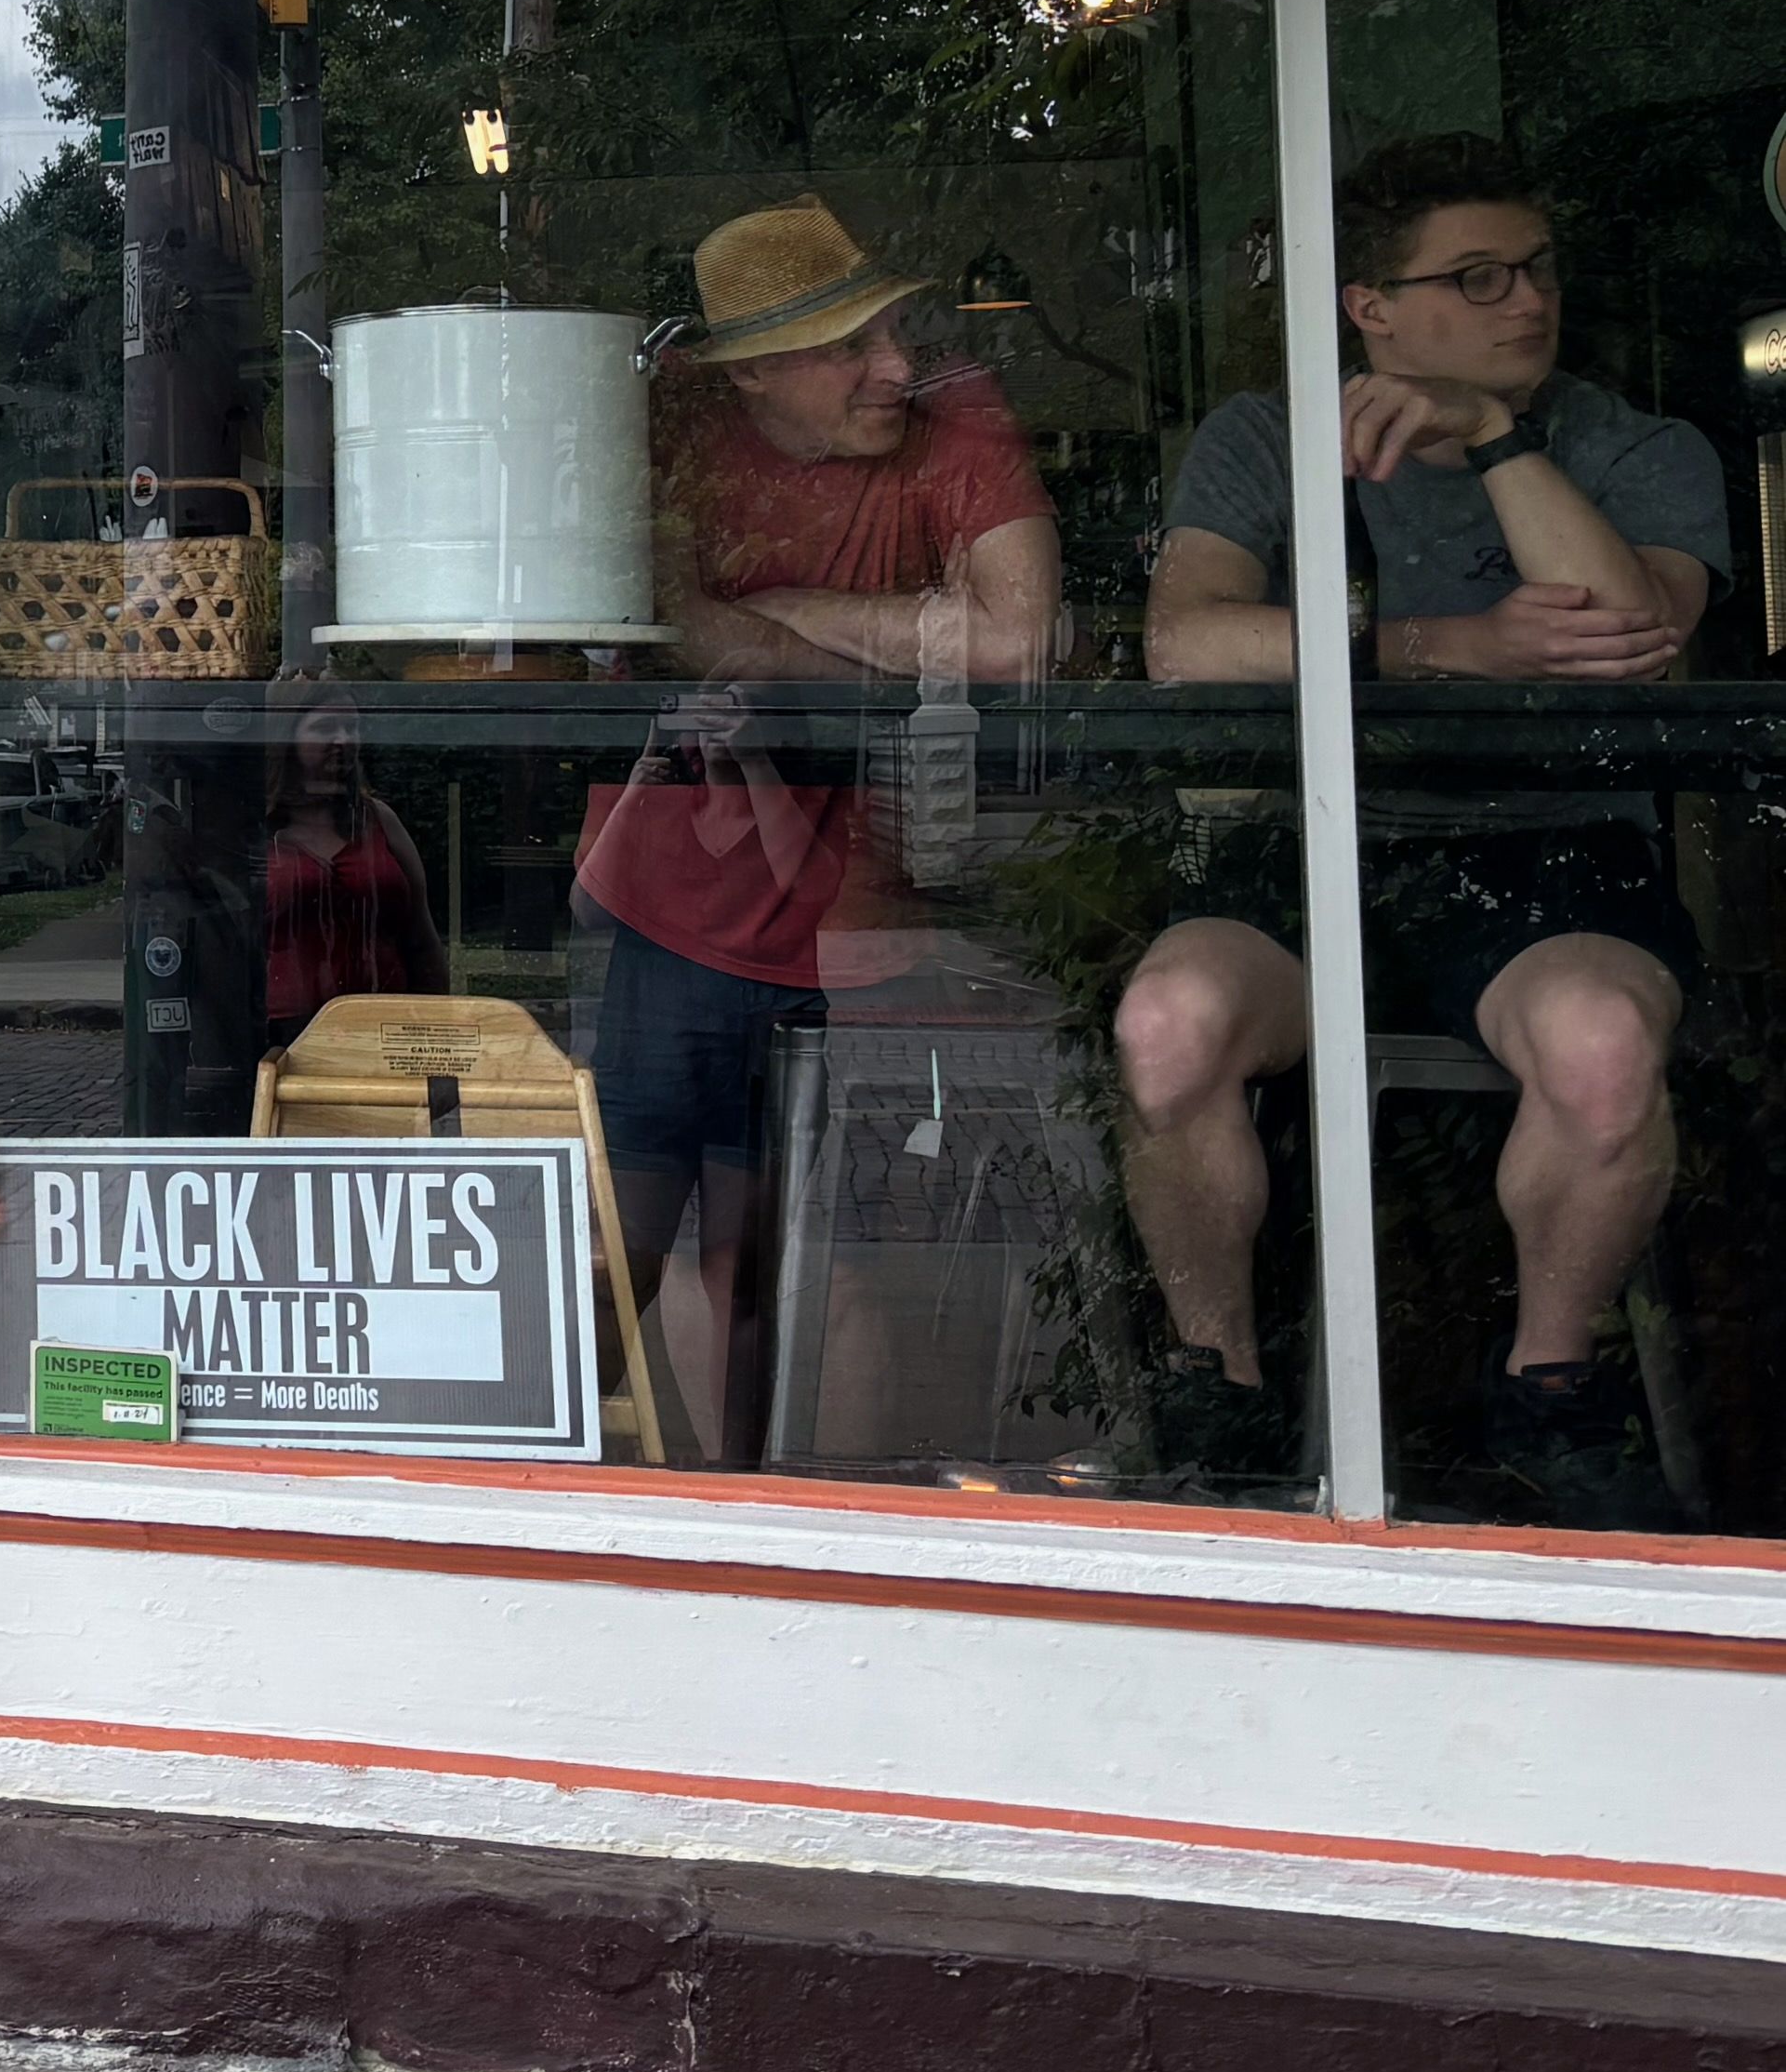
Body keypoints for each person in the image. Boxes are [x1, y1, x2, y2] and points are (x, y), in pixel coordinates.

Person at [1115, 136, 1729, 1529]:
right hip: (1311, 843)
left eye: (1535, 268)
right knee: (1166, 1024)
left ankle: (1551, 1395)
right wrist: (1442, 643)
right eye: (1475, 275)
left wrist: (1497, 440)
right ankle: (1218, 1391)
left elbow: (1630, 644)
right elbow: (1183, 644)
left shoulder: (1631, 443)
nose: (1526, 299)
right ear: (1368, 307)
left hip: (1555, 858)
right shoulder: (1270, 433)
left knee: (1602, 1050)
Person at [578, 198, 1060, 1467]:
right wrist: (896, 624)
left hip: (860, 931)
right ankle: (653, 1528)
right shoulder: (670, 424)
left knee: (831, 1266)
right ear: (748, 372)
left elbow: (1013, 642)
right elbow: (657, 616)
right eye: (848, 346)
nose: (893, 368)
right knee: (642, 1255)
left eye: (887, 332)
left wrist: (779, 613)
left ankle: (818, 1550)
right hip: (674, 910)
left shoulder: (949, 425)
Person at [261, 693, 445, 1042]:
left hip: (387, 1026)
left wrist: (437, 1027)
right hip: (283, 1035)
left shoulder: (378, 820)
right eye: (326, 728)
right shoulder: (257, 831)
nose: (344, 740)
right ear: (287, 739)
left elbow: (422, 939)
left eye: (352, 727)